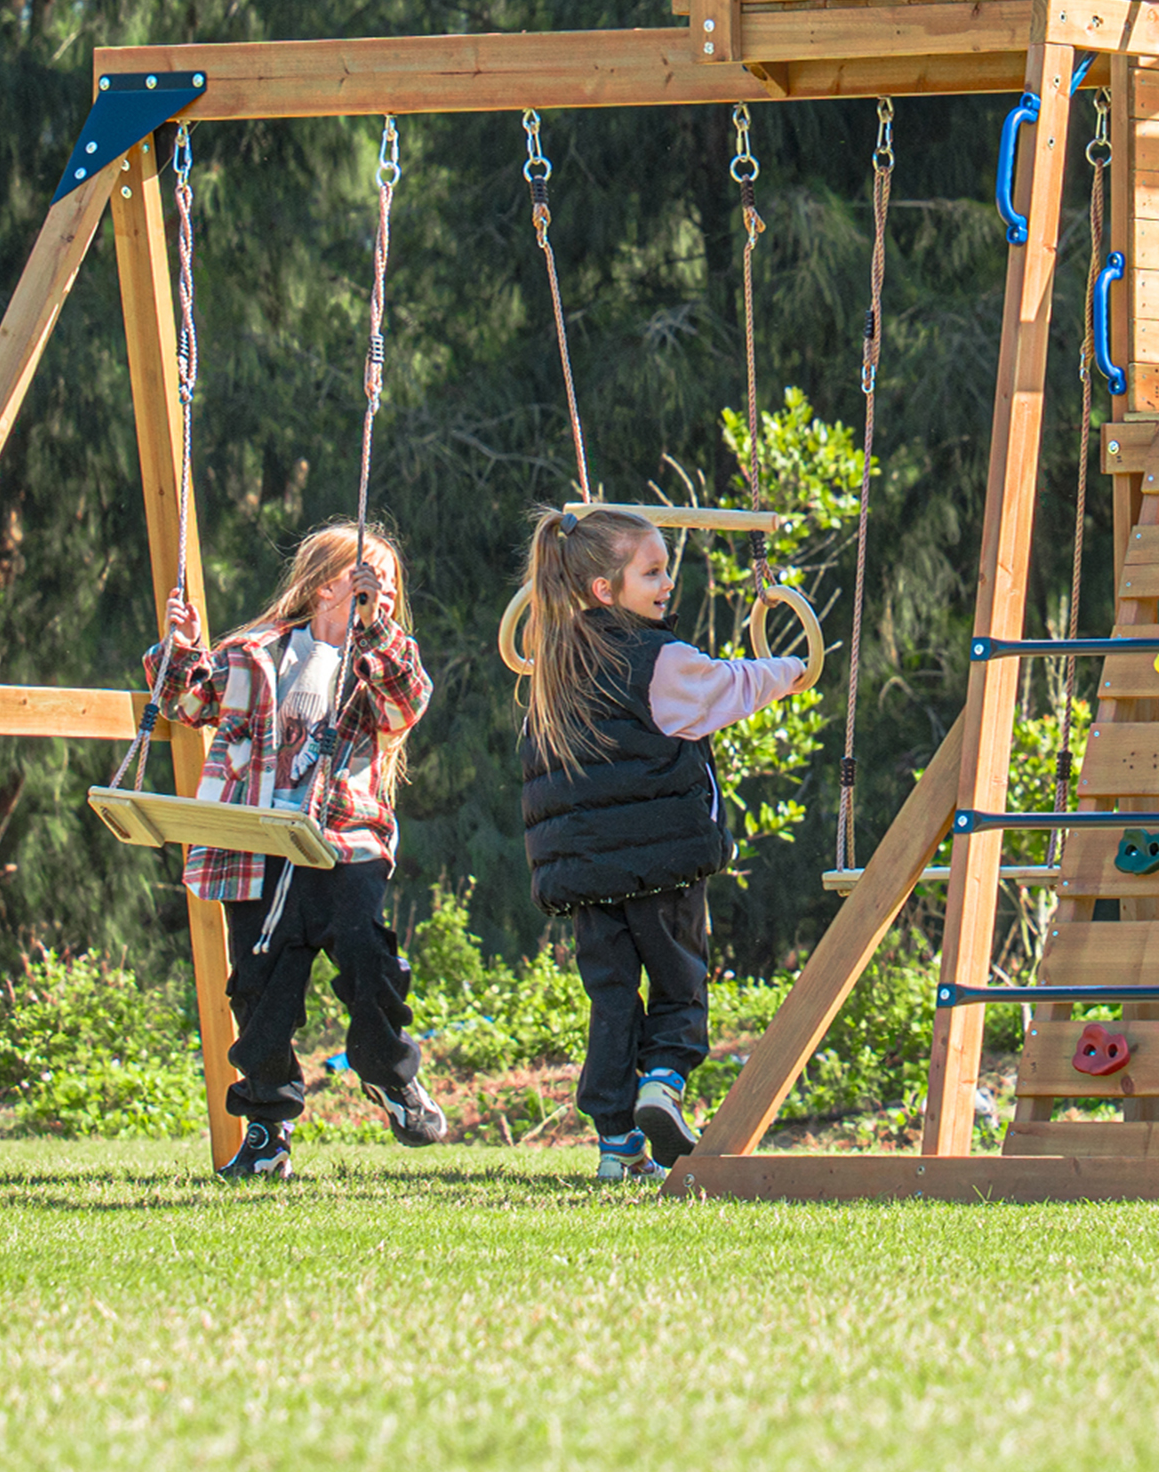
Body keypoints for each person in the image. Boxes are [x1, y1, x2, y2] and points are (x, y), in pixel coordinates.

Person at [502, 503, 816, 1183]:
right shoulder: (658, 660)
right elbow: (726, 688)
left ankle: (617, 1144)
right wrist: (789, 669)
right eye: (652, 572)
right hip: (661, 865)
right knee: (679, 982)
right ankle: (663, 1082)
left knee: (611, 998)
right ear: (603, 590)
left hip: (587, 877)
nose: (667, 582)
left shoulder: (554, 665)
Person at [150, 520, 447, 1181]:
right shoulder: (257, 653)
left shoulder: (378, 663)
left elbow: (407, 704)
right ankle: (267, 1125)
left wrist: (378, 632)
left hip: (342, 840)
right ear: (319, 586)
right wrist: (182, 645)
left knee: (367, 955)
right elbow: (184, 699)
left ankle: (388, 1075)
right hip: (258, 846)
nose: (378, 593)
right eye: (362, 579)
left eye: (388, 585)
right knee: (260, 991)